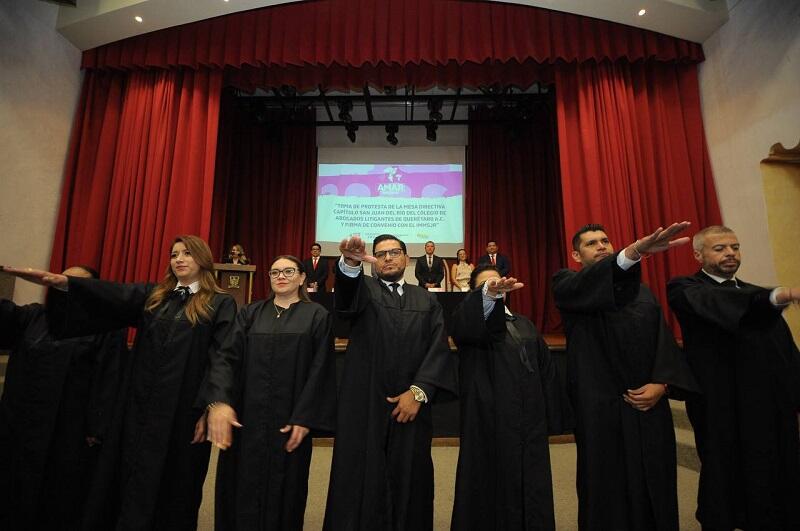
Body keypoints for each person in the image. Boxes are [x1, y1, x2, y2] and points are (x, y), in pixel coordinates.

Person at [2, 235, 237, 531]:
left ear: (203, 259)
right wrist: (63, 284)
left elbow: (223, 356)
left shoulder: (220, 303)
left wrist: (214, 403)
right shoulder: (154, 296)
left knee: (173, 484)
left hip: (181, 415)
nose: (178, 259)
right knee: (126, 476)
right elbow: (113, 295)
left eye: (187, 253)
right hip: (137, 408)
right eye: (174, 254)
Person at [552, 222, 699, 531]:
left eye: (605, 240)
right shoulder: (567, 284)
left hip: (649, 406)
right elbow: (597, 283)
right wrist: (632, 252)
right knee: (606, 484)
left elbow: (663, 341)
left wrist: (662, 383)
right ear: (576, 255)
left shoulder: (643, 294)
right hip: (600, 408)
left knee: (654, 481)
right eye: (591, 243)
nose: (601, 246)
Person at [667, 225, 800, 531]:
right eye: (720, 248)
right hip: (718, 402)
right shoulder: (685, 289)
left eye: (735, 247)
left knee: (773, 468)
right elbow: (720, 304)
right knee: (722, 471)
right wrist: (781, 294)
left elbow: (784, 351)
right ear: (698, 254)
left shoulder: (756, 295)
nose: (730, 253)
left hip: (766, 402)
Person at [323, 234, 457, 531]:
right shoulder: (363, 289)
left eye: (394, 252)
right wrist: (349, 265)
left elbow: (438, 347)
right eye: (380, 254)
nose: (387, 258)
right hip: (365, 403)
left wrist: (419, 392)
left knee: (410, 475)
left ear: (406, 259)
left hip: (412, 406)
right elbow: (345, 302)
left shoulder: (426, 299)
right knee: (361, 474)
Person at [203, 255, 338, 531]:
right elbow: (226, 359)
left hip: (290, 421)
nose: (281, 276)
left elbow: (321, 369)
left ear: (302, 278)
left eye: (289, 271)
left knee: (286, 491)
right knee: (240, 486)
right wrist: (220, 402)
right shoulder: (250, 314)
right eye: (275, 271)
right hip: (247, 421)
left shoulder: (317, 316)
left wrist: (305, 417)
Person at [0, 266, 127, 531]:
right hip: (23, 424)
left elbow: (109, 378)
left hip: (68, 432)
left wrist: (97, 428)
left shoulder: (105, 328)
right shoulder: (35, 316)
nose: (61, 285)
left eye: (71, 282)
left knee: (59, 497)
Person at [450, 265, 563, 531]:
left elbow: (546, 370)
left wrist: (549, 416)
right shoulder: (471, 323)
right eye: (485, 285)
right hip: (490, 422)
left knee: (533, 485)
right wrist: (487, 297)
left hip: (529, 423)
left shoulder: (524, 323)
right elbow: (463, 324)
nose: (494, 286)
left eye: (497, 282)